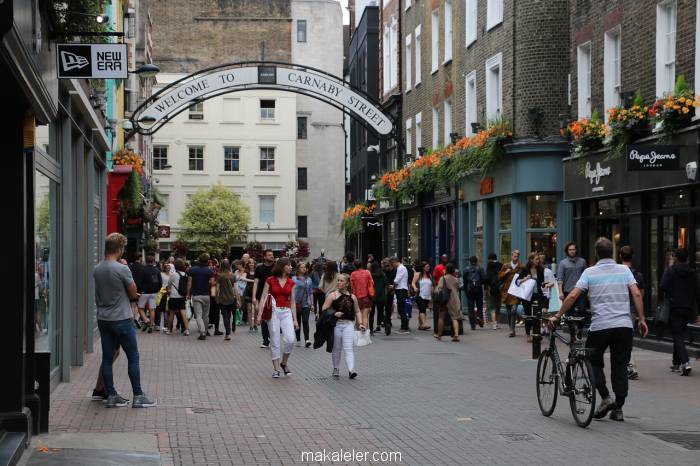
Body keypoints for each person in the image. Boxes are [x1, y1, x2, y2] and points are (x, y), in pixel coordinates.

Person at [549, 237, 648, 422]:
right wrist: (642, 319)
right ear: (613, 252)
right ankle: (618, 408)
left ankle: (605, 397)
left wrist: (558, 315)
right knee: (620, 365)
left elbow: (572, 296)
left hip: (600, 326)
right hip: (623, 326)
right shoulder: (624, 270)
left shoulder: (589, 272)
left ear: (596, 253)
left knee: (593, 361)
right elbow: (636, 292)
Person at [94, 233, 156, 408]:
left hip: (103, 319)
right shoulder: (122, 269)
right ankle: (138, 395)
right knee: (133, 357)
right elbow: (132, 293)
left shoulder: (97, 268)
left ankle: (111, 395)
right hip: (121, 318)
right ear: (120, 249)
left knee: (107, 358)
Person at [256, 258, 299, 378]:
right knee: (274, 340)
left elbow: (293, 302)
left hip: (286, 312)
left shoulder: (291, 282)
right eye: (289, 265)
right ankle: (276, 369)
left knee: (290, 339)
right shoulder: (270, 280)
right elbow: (264, 297)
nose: (291, 267)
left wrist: (295, 319)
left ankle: (284, 363)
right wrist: (259, 315)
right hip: (273, 312)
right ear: (282, 266)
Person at [661, 248, 700, 376]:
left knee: (677, 336)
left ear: (677, 258)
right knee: (679, 334)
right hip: (688, 308)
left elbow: (663, 286)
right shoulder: (693, 273)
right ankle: (676, 362)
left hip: (675, 307)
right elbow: (698, 292)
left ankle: (685, 362)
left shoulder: (671, 271)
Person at [323, 273, 362, 379]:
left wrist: (361, 323)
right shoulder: (332, 295)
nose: (339, 283)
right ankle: (336, 368)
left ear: (347, 283)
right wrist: (334, 313)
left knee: (348, 347)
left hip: (348, 324)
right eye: (338, 280)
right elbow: (324, 308)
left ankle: (351, 370)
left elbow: (357, 311)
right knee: (337, 348)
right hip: (336, 325)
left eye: (341, 281)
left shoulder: (352, 297)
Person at [619, 246, 644, 379]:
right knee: (627, 338)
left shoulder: (617, 273)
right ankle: (629, 365)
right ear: (632, 257)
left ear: (620, 256)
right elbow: (640, 295)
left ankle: (630, 365)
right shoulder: (638, 275)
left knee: (623, 340)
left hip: (618, 309)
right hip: (632, 310)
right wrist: (642, 317)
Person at [516, 253, 550, 343]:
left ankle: (536, 334)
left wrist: (547, 285)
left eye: (538, 259)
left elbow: (542, 283)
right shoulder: (525, 269)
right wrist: (525, 279)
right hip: (527, 296)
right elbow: (517, 282)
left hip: (538, 295)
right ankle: (528, 334)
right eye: (536, 259)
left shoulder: (540, 270)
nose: (538, 261)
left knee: (537, 315)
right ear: (531, 260)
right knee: (528, 316)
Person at [188, 253, 215, 340]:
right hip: (206, 295)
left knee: (198, 315)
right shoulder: (209, 270)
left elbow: (189, 283)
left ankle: (202, 332)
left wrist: (188, 293)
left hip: (196, 295)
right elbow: (212, 283)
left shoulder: (192, 270)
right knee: (206, 315)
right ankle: (205, 331)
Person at [253, 249, 275, 348]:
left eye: (272, 255)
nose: (272, 256)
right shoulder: (259, 268)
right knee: (262, 317)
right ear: (265, 257)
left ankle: (271, 337)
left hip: (274, 297)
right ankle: (265, 340)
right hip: (261, 296)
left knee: (272, 318)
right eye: (269, 255)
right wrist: (254, 297)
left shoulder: (276, 268)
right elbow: (256, 282)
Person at [434, 263, 462, 341]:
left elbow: (439, 288)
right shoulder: (456, 279)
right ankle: (456, 335)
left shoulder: (443, 278)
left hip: (444, 299)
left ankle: (439, 335)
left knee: (441, 317)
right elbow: (459, 287)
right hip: (454, 299)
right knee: (455, 317)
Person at [136, 253, 162, 334]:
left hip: (145, 292)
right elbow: (160, 282)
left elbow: (139, 281)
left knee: (140, 308)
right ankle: (151, 325)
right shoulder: (157, 270)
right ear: (153, 261)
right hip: (154, 292)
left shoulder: (142, 269)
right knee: (152, 309)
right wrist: (157, 289)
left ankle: (146, 320)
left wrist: (140, 290)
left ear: (146, 261)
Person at [557, 242, 587, 312]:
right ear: (567, 251)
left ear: (576, 250)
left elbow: (587, 276)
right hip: (568, 292)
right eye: (570, 250)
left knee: (582, 312)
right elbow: (560, 279)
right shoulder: (563, 263)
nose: (572, 251)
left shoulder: (582, 261)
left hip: (580, 292)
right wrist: (560, 292)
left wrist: (588, 291)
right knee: (569, 313)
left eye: (573, 249)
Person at [498, 250, 522, 337]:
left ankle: (512, 329)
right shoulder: (506, 265)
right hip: (507, 291)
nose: (516, 258)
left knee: (514, 310)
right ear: (511, 256)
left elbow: (524, 276)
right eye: (514, 256)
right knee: (508, 311)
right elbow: (499, 276)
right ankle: (511, 328)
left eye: (517, 256)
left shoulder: (521, 266)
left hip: (516, 291)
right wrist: (505, 272)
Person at [216, 259, 239, 341]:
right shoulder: (233, 275)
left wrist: (216, 297)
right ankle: (232, 325)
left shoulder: (220, 276)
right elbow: (235, 289)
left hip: (222, 299)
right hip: (231, 298)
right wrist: (238, 299)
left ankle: (227, 334)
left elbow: (217, 288)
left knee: (225, 316)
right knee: (229, 315)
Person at [166, 259, 190, 336]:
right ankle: (187, 330)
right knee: (183, 313)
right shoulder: (186, 275)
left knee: (172, 313)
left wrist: (168, 291)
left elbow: (169, 285)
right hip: (182, 296)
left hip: (173, 296)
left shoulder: (173, 275)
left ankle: (169, 329)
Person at [293, 262, 313, 347]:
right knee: (297, 322)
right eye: (302, 267)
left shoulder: (309, 279)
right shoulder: (294, 279)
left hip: (306, 303)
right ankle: (298, 339)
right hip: (296, 303)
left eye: (305, 267)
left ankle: (307, 339)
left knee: (305, 321)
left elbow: (311, 292)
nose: (304, 269)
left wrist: (312, 304)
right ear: (298, 269)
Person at [350, 260, 374, 331]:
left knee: (358, 316)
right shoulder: (367, 272)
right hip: (366, 297)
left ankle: (358, 333)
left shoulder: (353, 274)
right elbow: (371, 282)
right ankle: (364, 334)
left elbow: (351, 287)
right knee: (365, 317)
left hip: (356, 298)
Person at [463, 256, 486, 331]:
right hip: (478, 289)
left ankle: (472, 325)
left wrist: (466, 290)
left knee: (470, 308)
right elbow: (483, 279)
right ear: (476, 261)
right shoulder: (480, 268)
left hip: (470, 290)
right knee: (479, 305)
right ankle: (479, 317)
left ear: (470, 261)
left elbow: (464, 281)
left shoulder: (466, 269)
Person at [412, 262, 433, 331]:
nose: (428, 268)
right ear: (423, 267)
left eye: (429, 267)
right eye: (427, 266)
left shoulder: (429, 275)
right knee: (422, 309)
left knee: (422, 310)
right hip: (419, 295)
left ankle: (420, 325)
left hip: (427, 296)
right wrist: (415, 288)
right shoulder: (418, 274)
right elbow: (413, 282)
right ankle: (424, 324)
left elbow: (431, 286)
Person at [391, 257, 410, 333]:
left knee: (401, 309)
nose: (392, 265)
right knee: (401, 308)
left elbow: (397, 280)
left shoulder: (401, 268)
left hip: (401, 290)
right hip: (401, 289)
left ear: (396, 262)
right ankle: (404, 326)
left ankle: (405, 327)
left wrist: (392, 286)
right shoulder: (400, 268)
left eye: (392, 263)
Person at [485, 253, 503, 330]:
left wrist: (486, 287)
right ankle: (498, 323)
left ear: (490, 258)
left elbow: (487, 277)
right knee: (498, 306)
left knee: (492, 306)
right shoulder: (500, 264)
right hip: (499, 288)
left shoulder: (489, 265)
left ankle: (494, 324)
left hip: (491, 288)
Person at [370, 261, 387, 334]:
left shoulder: (370, 275)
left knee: (372, 313)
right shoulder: (382, 274)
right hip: (381, 296)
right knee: (380, 312)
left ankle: (371, 330)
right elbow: (386, 283)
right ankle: (386, 324)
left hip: (372, 296)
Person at [383, 258, 397, 335]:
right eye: (385, 265)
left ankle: (387, 322)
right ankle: (386, 322)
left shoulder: (395, 271)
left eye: (387, 265)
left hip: (391, 291)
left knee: (389, 308)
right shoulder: (384, 271)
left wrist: (393, 287)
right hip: (384, 291)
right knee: (384, 308)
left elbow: (396, 281)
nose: (386, 267)